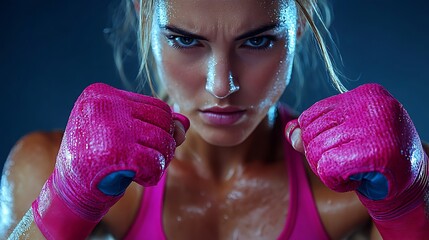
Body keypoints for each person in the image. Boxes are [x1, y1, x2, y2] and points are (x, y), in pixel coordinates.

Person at [1, 0, 428, 239]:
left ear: (297, 22)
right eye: (186, 40)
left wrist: (410, 208)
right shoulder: (44, 167)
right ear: (141, 14)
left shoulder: (367, 188)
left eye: (257, 40)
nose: (221, 85)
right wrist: (67, 200)